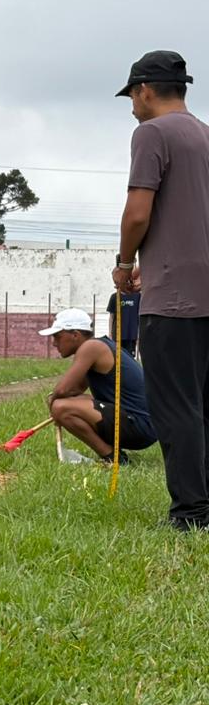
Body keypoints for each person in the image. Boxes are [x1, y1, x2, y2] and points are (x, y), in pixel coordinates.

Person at [113, 50, 209, 530]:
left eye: (131, 94)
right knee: (202, 405)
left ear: (145, 88)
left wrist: (126, 261)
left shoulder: (150, 134)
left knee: (175, 408)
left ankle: (191, 513)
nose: (131, 105)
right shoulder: (205, 135)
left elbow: (138, 213)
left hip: (172, 301)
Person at [41, 308, 157, 465]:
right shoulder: (99, 346)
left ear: (75, 335)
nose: (54, 343)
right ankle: (113, 455)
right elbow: (74, 390)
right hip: (145, 425)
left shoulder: (92, 347)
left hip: (140, 425)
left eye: (58, 336)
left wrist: (52, 403)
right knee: (67, 403)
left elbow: (63, 390)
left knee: (60, 407)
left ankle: (112, 457)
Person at [105, 288, 141, 357]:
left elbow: (140, 316)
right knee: (117, 357)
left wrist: (139, 333)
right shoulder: (114, 297)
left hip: (131, 335)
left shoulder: (138, 297)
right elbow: (111, 317)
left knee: (130, 357)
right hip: (117, 335)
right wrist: (110, 333)